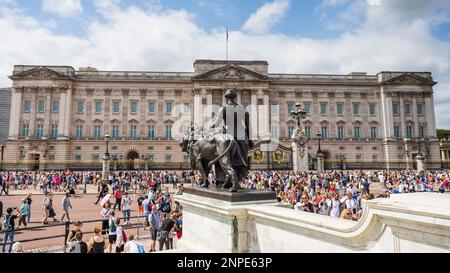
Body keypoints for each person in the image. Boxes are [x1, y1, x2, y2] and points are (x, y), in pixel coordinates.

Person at [208, 88, 254, 191]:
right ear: (235, 97)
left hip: (228, 135)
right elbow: (248, 126)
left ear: (226, 98)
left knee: (221, 157)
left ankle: (222, 181)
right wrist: (250, 140)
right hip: (242, 137)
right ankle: (236, 180)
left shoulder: (223, 108)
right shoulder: (243, 109)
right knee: (241, 161)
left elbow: (216, 123)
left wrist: (207, 129)